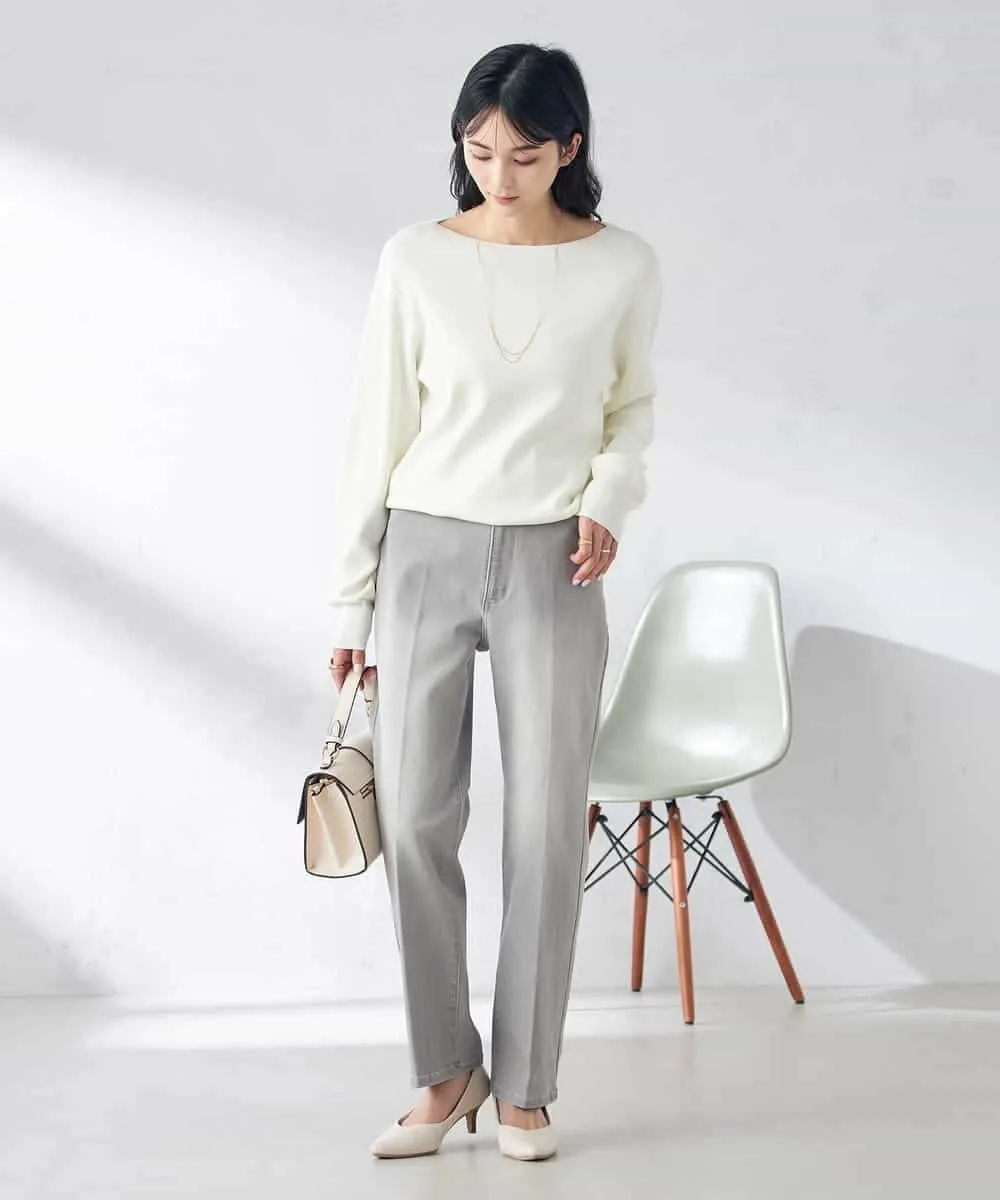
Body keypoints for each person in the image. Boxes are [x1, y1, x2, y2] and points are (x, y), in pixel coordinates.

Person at [325, 42, 662, 1161]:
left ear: (570, 146)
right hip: (423, 546)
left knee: (545, 827)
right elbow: (374, 428)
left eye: (523, 153)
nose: (498, 175)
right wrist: (349, 606)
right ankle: (445, 1070)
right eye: (478, 152)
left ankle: (525, 1087)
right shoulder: (415, 259)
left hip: (556, 558)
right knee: (416, 817)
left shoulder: (622, 265)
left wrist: (607, 499)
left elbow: (631, 412)